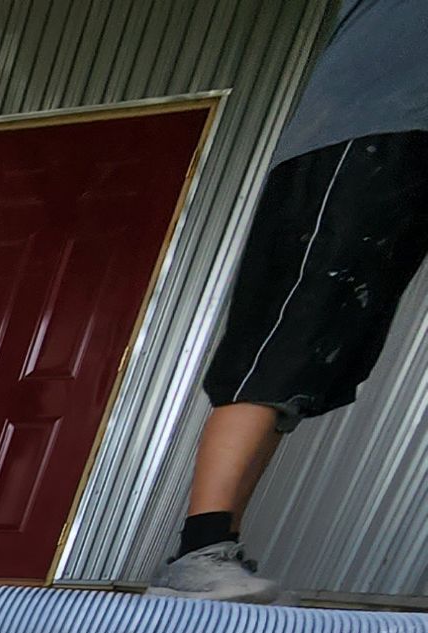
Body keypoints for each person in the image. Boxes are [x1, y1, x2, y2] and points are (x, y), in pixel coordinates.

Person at [152, 0, 428, 602]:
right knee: (287, 343)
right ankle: (198, 552)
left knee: (319, 361)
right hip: (361, 134)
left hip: (405, 139)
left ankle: (207, 552)